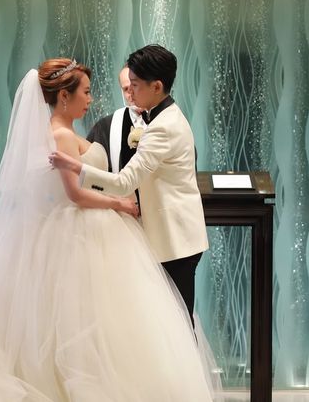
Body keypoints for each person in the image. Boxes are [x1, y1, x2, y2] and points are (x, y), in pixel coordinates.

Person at [0, 58, 220, 402]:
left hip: (102, 228)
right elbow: (74, 194)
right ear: (64, 96)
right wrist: (118, 204)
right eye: (85, 92)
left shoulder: (72, 133)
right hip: (80, 230)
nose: (90, 99)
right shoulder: (60, 135)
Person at [49, 45, 209, 323]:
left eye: (134, 85)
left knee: (179, 325)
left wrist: (75, 166)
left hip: (174, 240)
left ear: (156, 86)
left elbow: (124, 183)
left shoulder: (162, 127)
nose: (130, 93)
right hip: (167, 236)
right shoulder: (161, 117)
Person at [86, 66, 146, 173]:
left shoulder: (166, 118)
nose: (131, 93)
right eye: (126, 89)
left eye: (135, 85)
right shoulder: (105, 127)